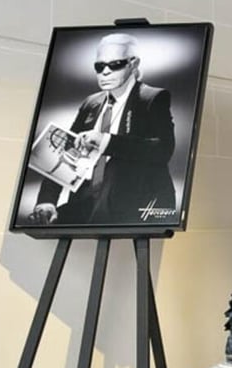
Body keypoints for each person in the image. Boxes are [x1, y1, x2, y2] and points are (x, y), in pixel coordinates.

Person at [30, 33, 177, 226]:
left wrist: (106, 141)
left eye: (115, 64)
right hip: (87, 201)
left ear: (133, 64)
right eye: (99, 66)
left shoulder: (152, 98)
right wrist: (47, 201)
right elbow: (66, 150)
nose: (105, 72)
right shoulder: (91, 103)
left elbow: (164, 149)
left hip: (135, 203)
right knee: (39, 223)